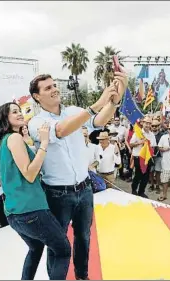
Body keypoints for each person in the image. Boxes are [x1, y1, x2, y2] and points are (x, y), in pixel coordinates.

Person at [28, 70, 127, 280]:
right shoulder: (36, 122)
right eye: (48, 88)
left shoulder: (73, 110)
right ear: (37, 96)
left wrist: (114, 102)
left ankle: (82, 276)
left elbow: (98, 121)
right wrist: (95, 105)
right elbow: (61, 130)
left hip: (84, 189)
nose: (54, 89)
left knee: (84, 237)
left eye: (54, 85)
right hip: (57, 194)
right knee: (58, 243)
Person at [0, 102, 71, 280]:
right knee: (63, 251)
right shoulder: (14, 138)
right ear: (5, 119)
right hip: (31, 209)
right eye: (14, 112)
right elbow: (29, 173)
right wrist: (44, 142)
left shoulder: (3, 142)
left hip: (14, 213)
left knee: (35, 248)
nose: (20, 113)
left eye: (19, 110)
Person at [130, 117, 157, 198]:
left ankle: (141, 191)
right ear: (142, 123)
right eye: (146, 123)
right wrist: (139, 142)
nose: (147, 125)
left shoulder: (151, 134)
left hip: (147, 158)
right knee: (138, 175)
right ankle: (134, 190)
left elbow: (153, 146)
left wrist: (150, 149)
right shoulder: (137, 133)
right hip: (138, 157)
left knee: (146, 176)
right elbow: (131, 144)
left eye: (149, 123)